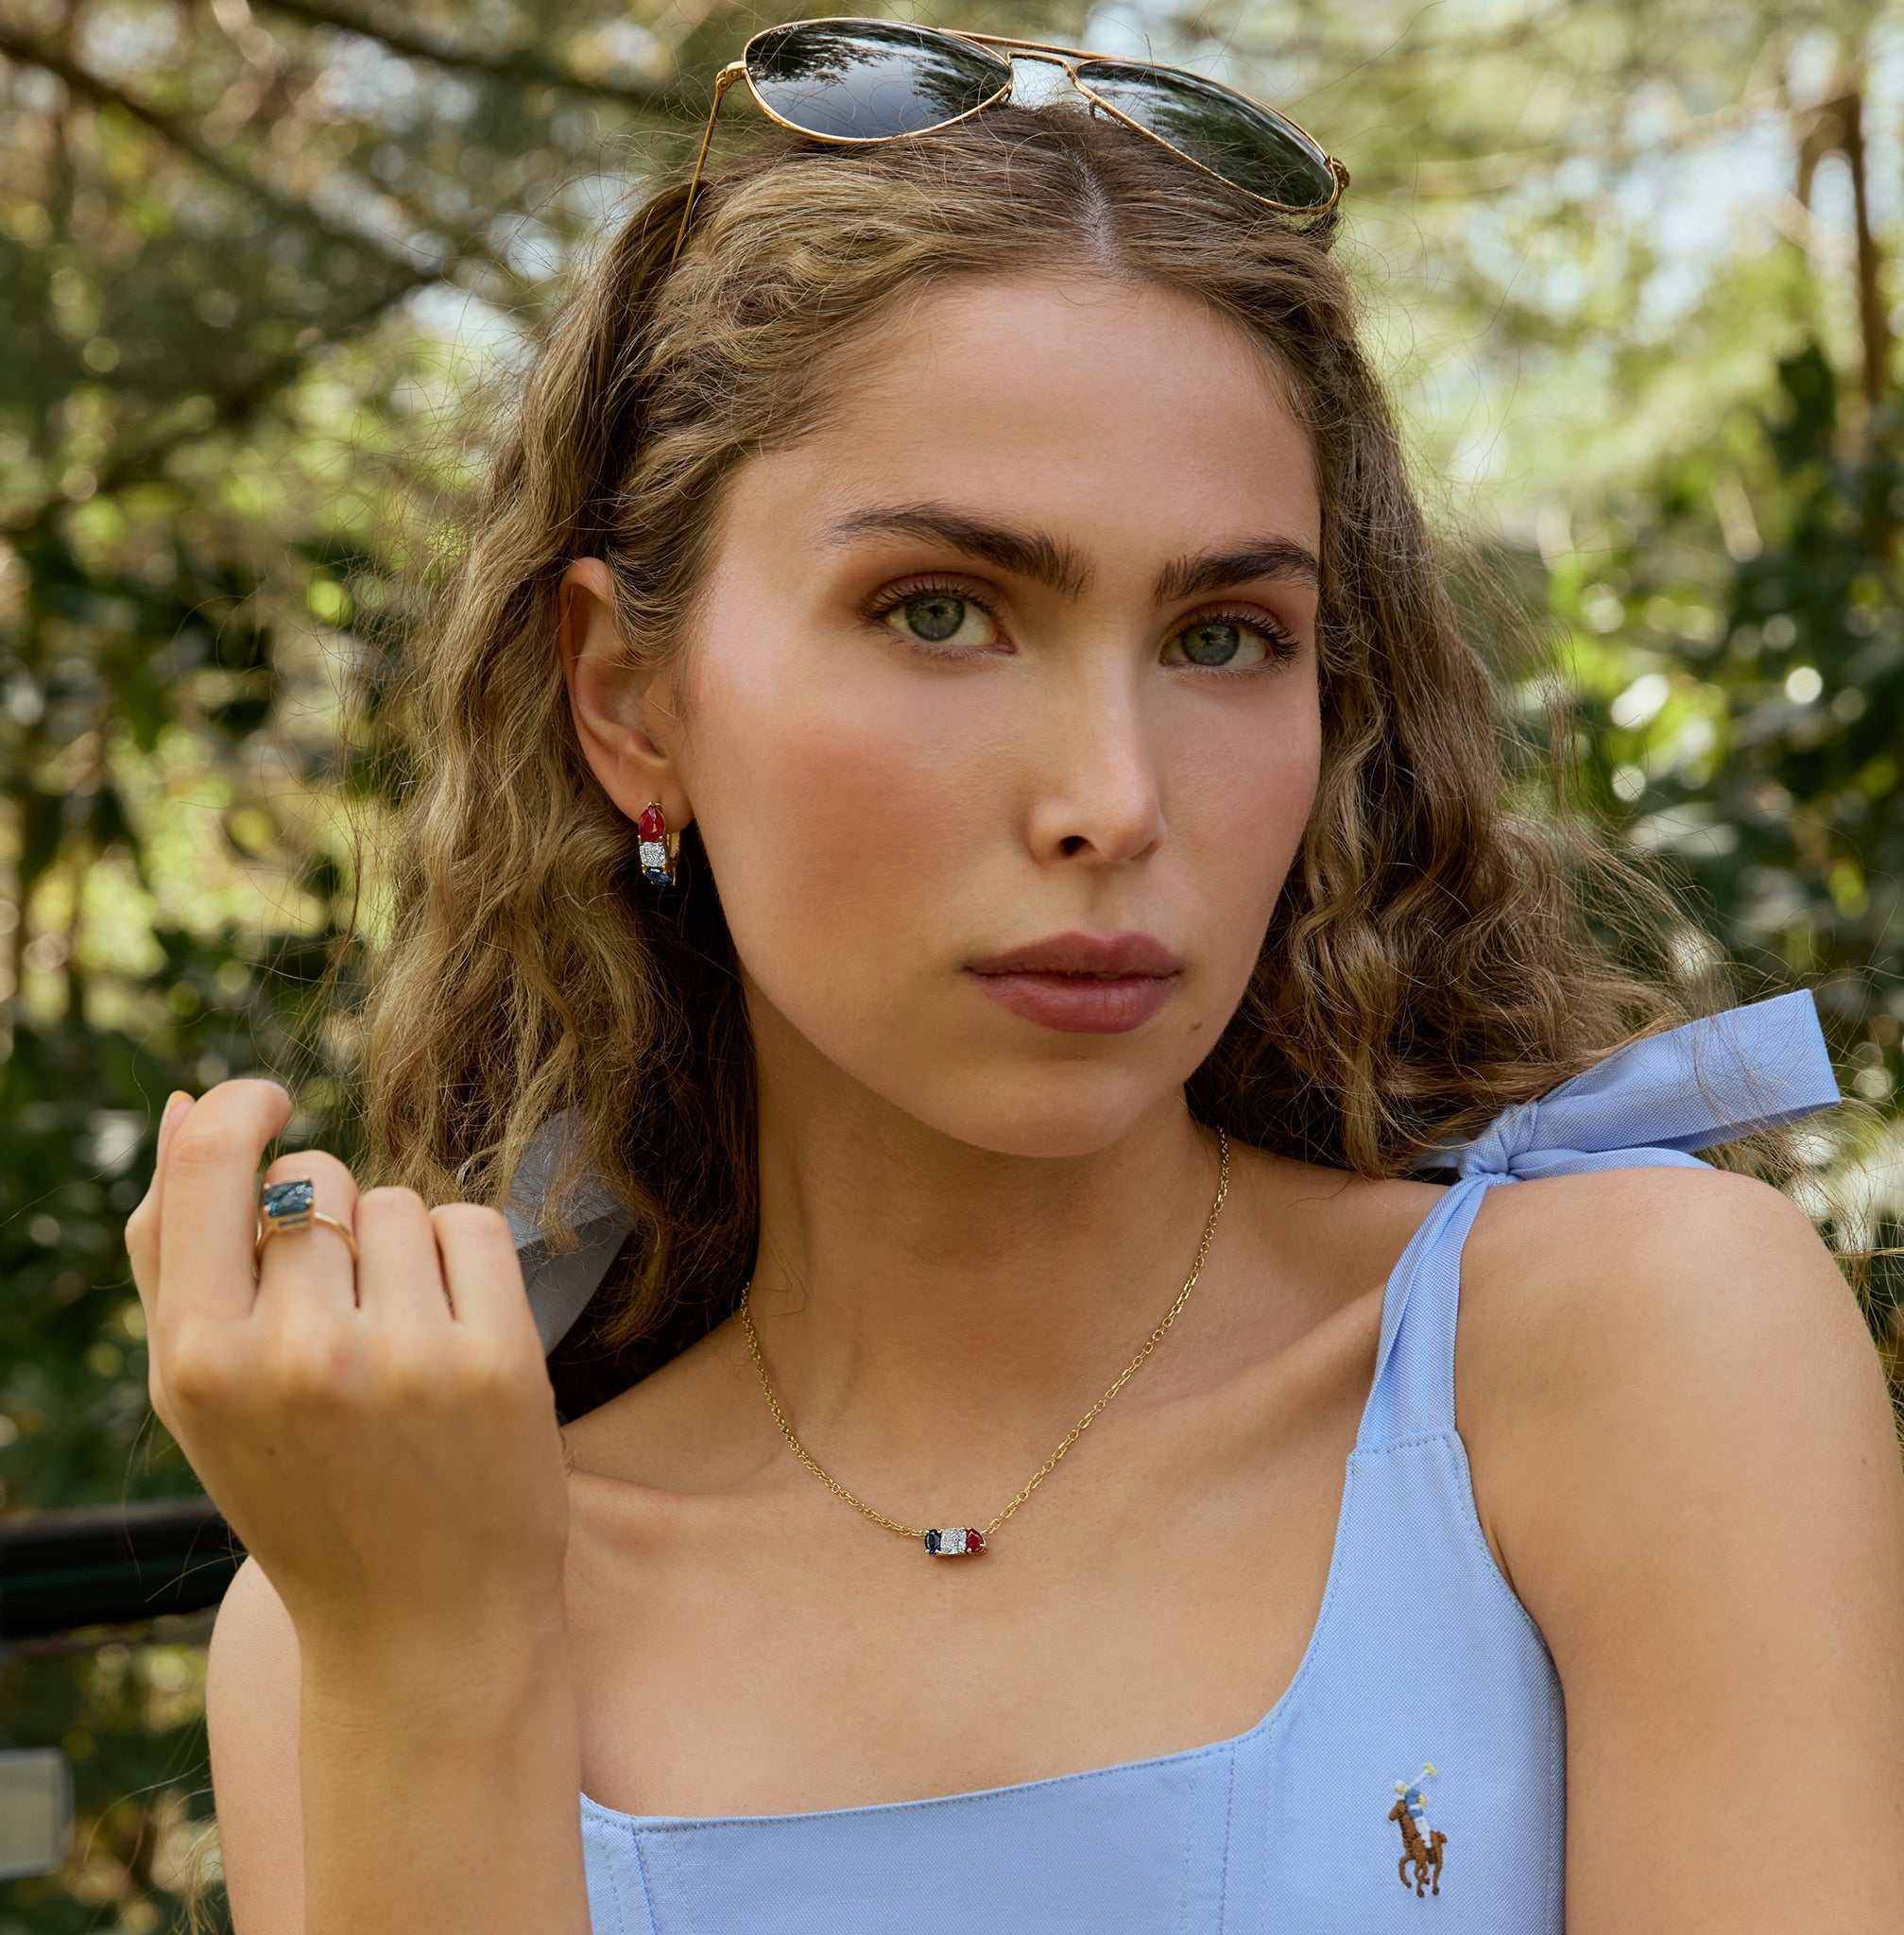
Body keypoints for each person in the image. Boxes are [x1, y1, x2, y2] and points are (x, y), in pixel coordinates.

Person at [127, 22, 1904, 1935]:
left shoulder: (1617, 1353)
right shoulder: (369, 1602)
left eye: (1226, 637)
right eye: (943, 610)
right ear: (626, 700)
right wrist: (437, 1670)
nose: (1114, 802)